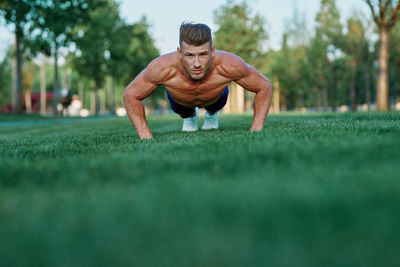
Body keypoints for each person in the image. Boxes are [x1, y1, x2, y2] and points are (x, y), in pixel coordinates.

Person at [123, 22, 273, 140]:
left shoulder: (229, 64)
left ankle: (212, 114)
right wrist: (145, 136)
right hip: (181, 102)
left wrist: (256, 128)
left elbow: (264, 86)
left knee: (218, 98)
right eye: (189, 55)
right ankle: (189, 117)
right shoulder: (161, 67)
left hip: (216, 98)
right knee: (184, 110)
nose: (196, 63)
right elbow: (130, 95)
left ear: (212, 51)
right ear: (180, 53)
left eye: (203, 54)